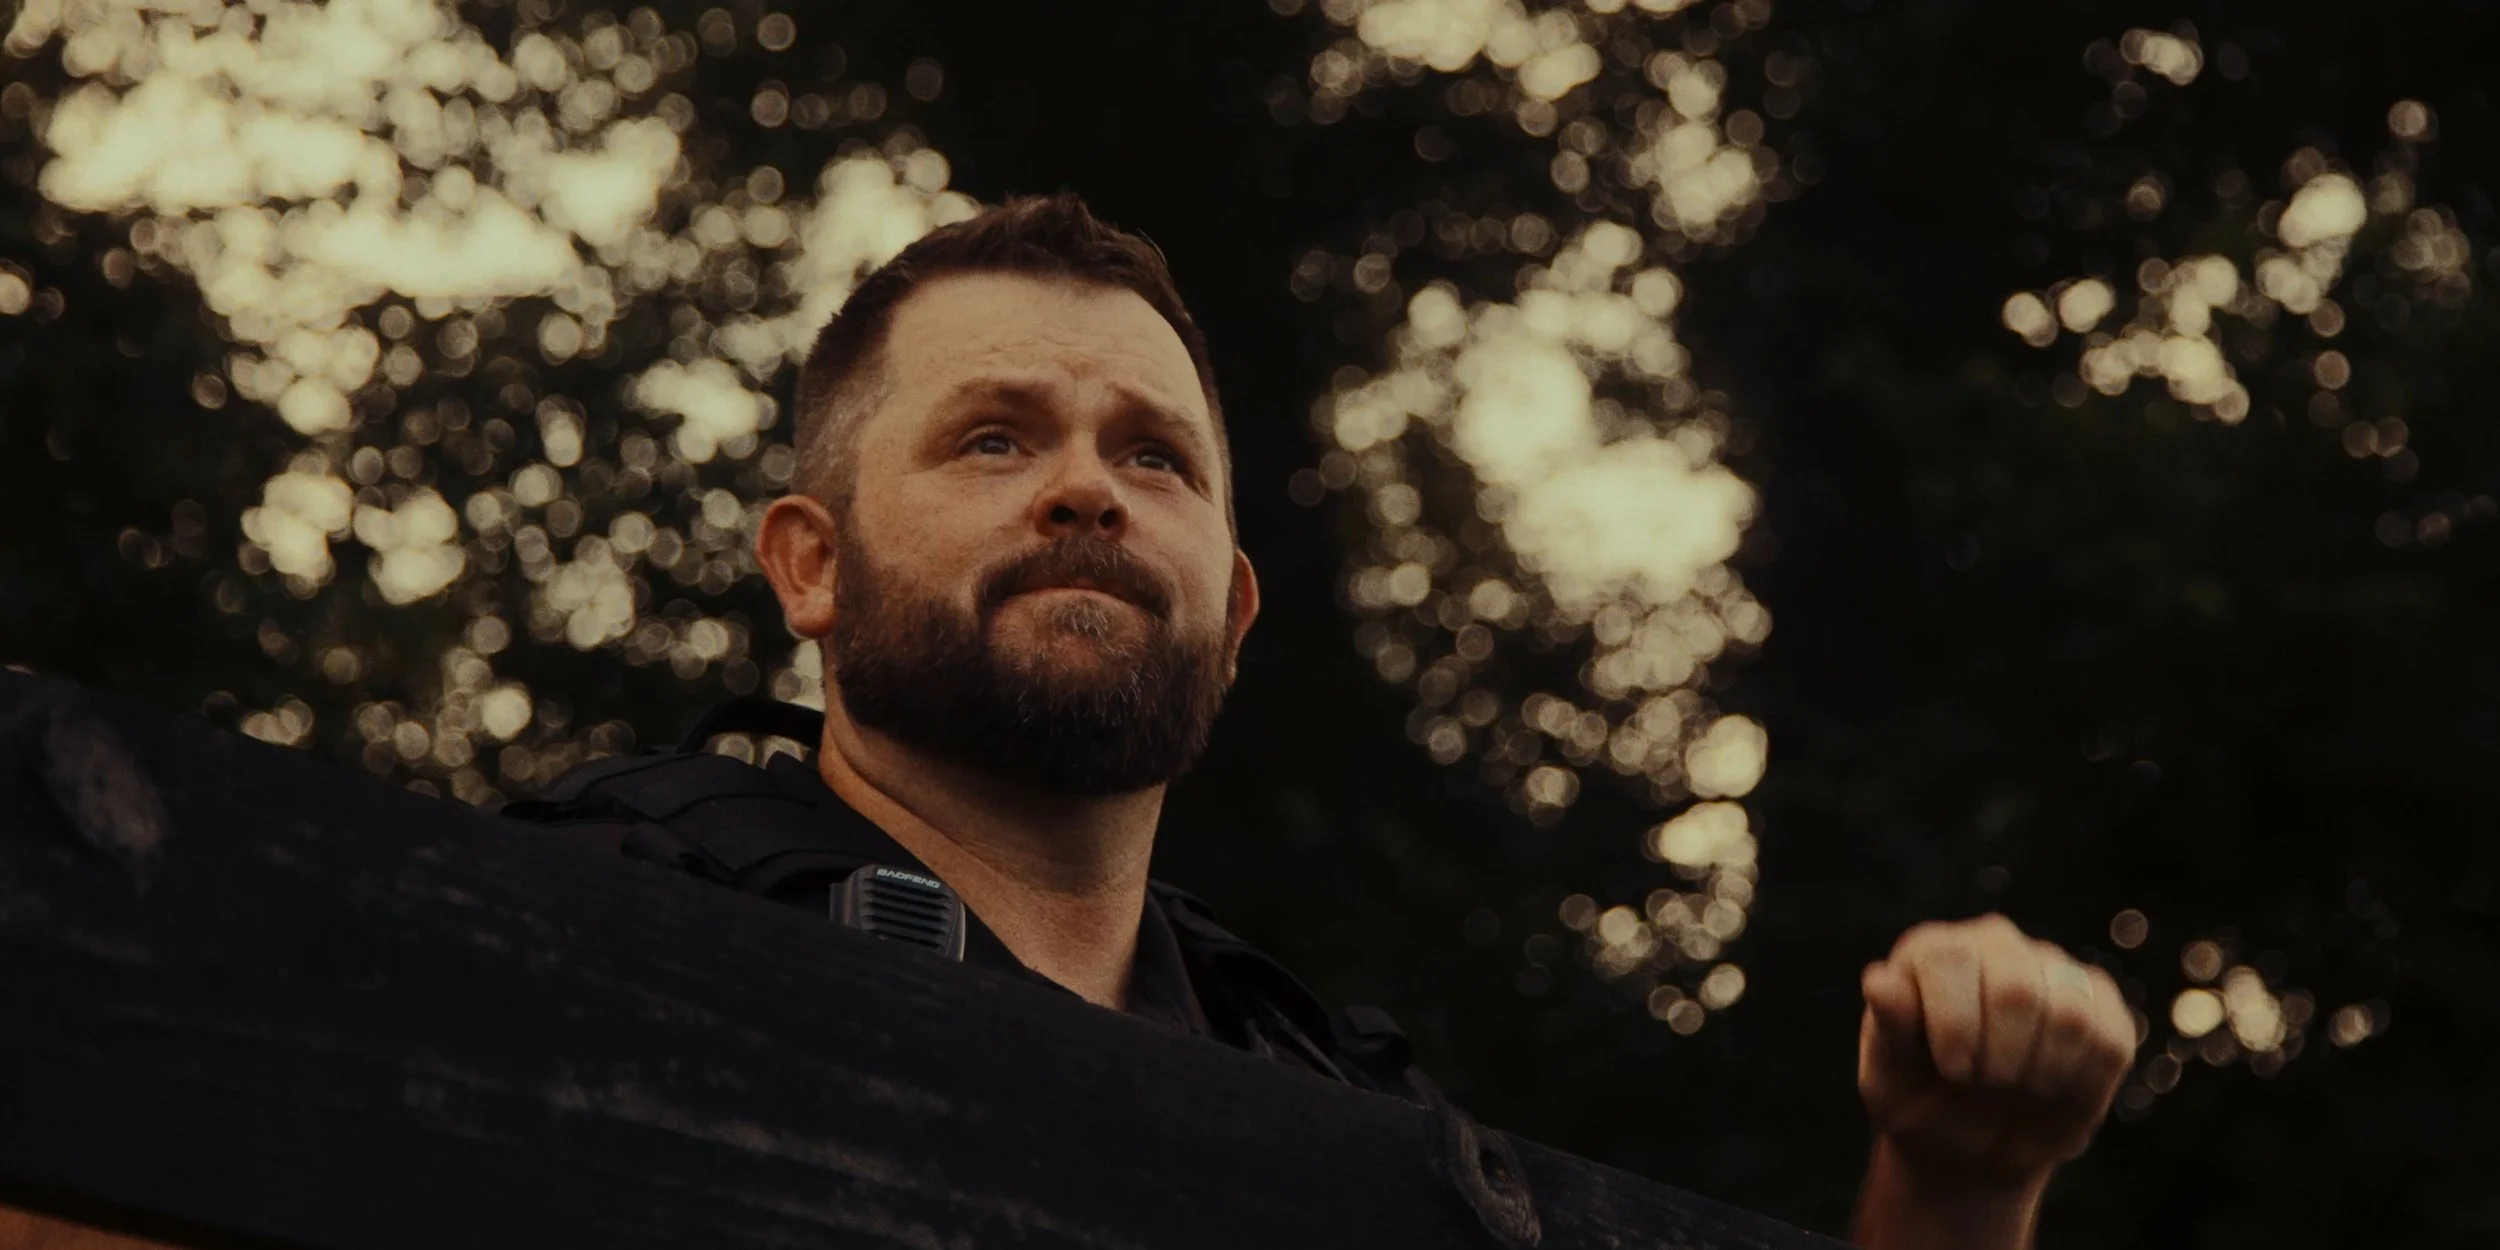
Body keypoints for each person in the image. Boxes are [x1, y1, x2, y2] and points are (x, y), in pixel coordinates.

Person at [515, 194, 2137, 1249]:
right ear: (810, 565)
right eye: (994, 437)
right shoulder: (568, 923)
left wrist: (1957, 1179)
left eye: (1154, 456)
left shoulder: (1353, 1114)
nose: (1086, 487)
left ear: (1231, 613)